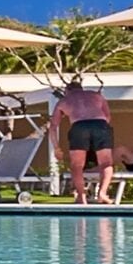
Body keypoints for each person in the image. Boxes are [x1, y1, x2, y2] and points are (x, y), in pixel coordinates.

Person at [53, 69, 117, 203]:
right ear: (82, 89)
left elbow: (53, 126)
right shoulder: (96, 95)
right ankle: (102, 193)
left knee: (77, 165)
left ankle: (81, 196)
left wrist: (56, 148)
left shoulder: (64, 101)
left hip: (79, 126)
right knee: (106, 163)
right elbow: (107, 116)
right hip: (100, 124)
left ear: (67, 91)